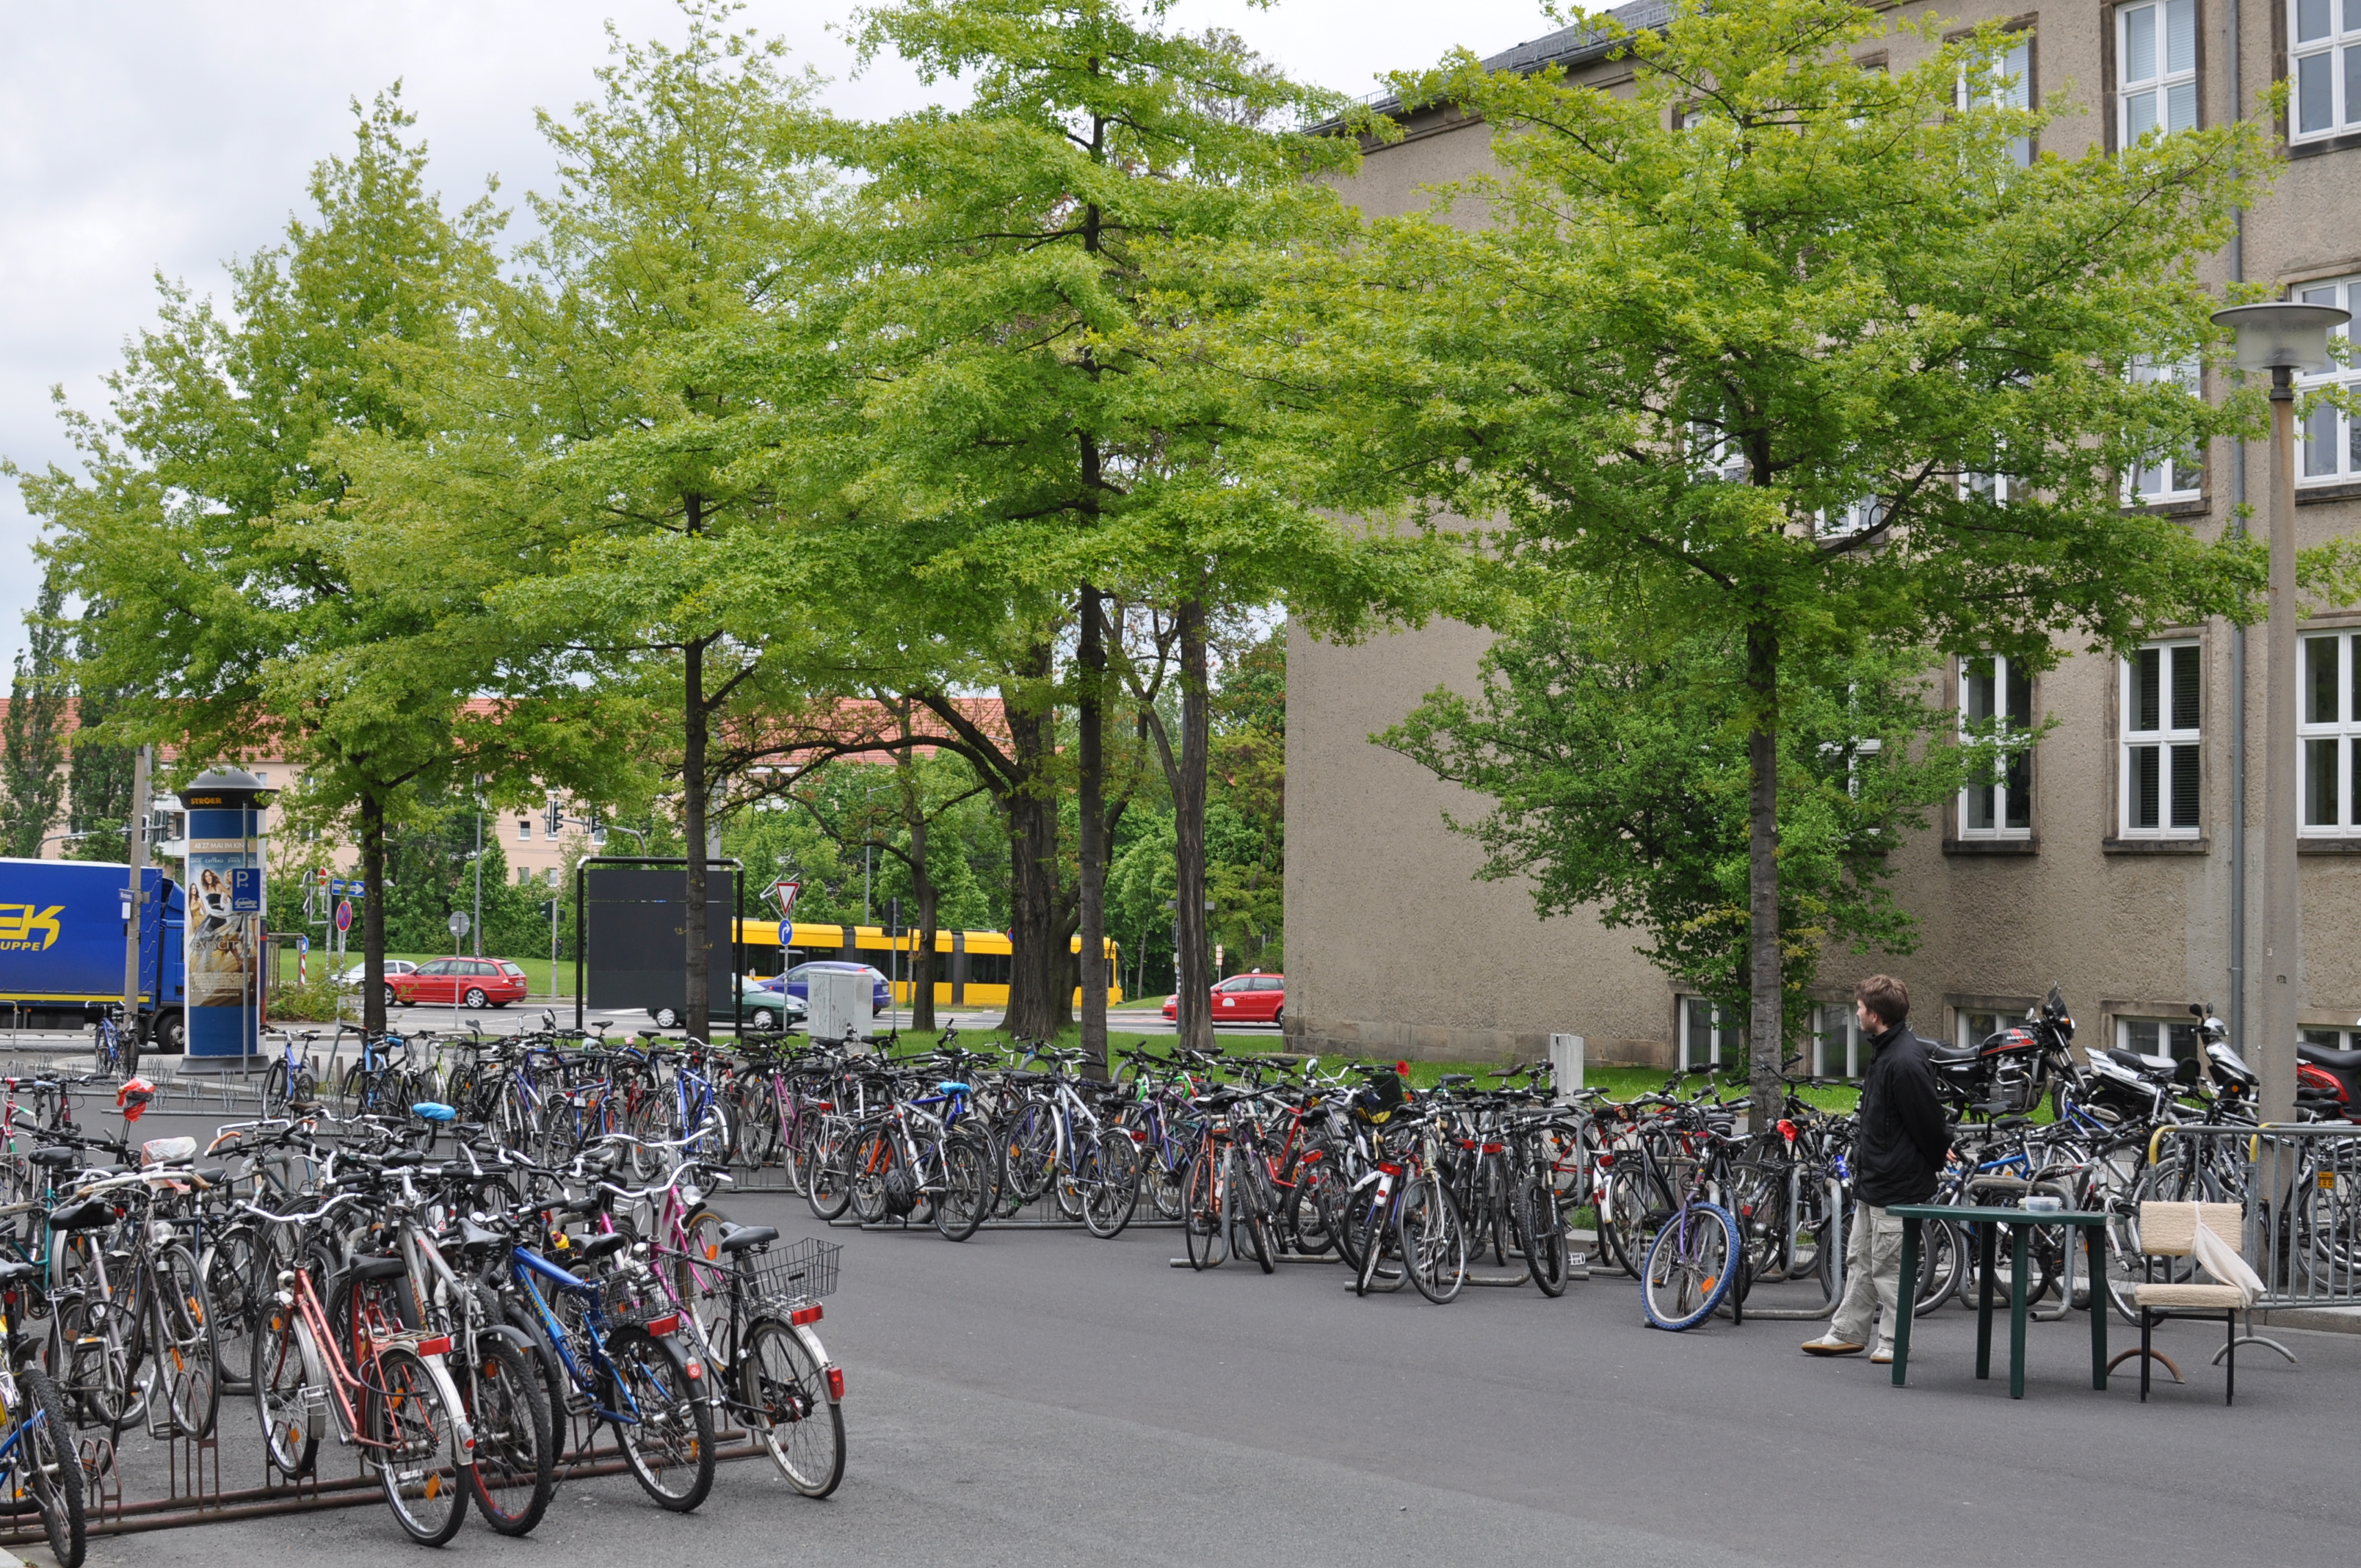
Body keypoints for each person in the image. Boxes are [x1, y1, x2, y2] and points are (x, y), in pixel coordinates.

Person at [1802, 974, 1951, 1364]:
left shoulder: (1903, 1060)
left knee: (1888, 1268)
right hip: (1876, 1180)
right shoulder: (1888, 1051)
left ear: (1876, 1014)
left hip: (1896, 1184)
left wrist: (1937, 1156)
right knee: (1861, 1261)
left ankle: (1892, 1341)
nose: (1856, 1012)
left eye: (1861, 1008)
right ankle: (1847, 1332)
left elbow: (1928, 1121)